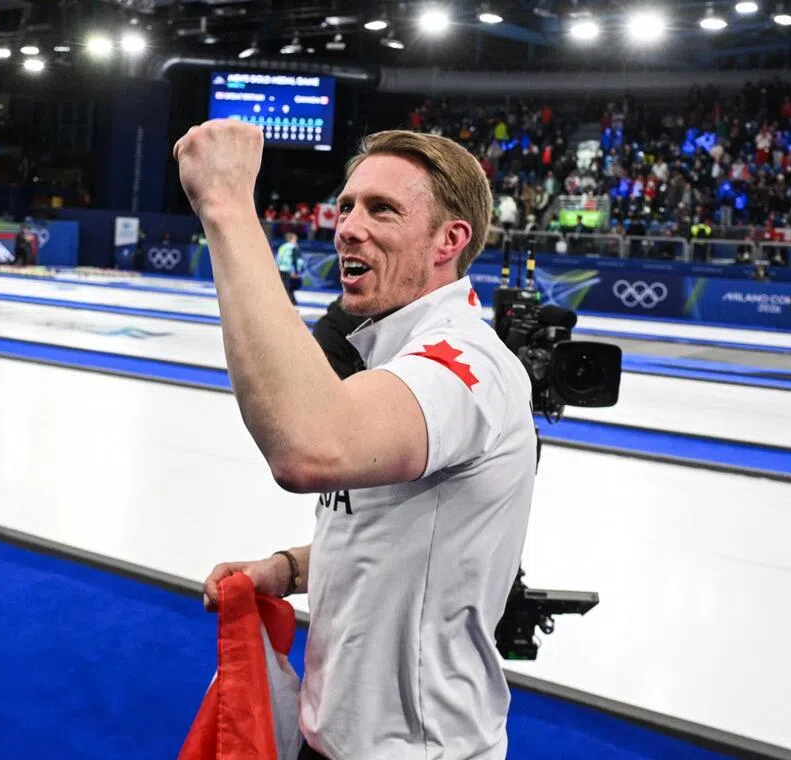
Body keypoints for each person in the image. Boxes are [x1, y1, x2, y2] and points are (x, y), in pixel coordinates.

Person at [174, 124, 537, 760]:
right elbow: (398, 536)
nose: (348, 225)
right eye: (346, 206)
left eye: (382, 209)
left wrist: (228, 204)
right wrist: (286, 569)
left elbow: (309, 448)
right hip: (334, 735)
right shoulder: (390, 358)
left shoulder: (466, 365)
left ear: (449, 240)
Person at [275, 231, 304, 304]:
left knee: (284, 285)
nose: (296, 241)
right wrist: (297, 271)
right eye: (295, 240)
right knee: (287, 286)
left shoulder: (282, 247)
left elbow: (279, 257)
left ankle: (290, 300)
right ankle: (289, 301)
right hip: (289, 269)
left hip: (282, 269)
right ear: (291, 239)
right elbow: (298, 261)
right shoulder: (294, 247)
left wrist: (277, 266)